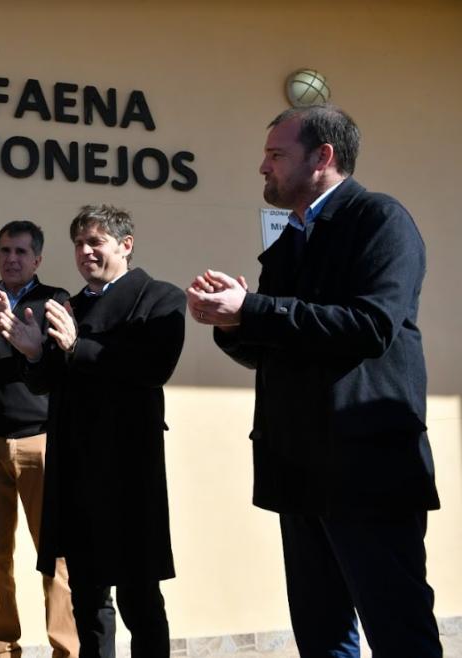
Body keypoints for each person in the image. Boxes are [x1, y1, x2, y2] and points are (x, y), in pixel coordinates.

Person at [186, 104, 441, 657]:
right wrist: (229, 321)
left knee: (398, 630)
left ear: (322, 157)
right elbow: (277, 348)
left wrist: (253, 309)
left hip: (366, 471)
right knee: (322, 635)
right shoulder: (289, 242)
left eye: (276, 155)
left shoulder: (381, 221)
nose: (263, 167)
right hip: (299, 469)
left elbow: (370, 326)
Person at [0, 205, 185, 658]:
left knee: (140, 596)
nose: (85, 252)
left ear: (126, 245)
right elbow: (48, 384)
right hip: (75, 466)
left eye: (96, 242)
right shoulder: (69, 307)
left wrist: (77, 346)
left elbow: (151, 367)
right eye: (79, 244)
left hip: (128, 468)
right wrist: (35, 355)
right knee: (86, 596)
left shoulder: (159, 297)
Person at [0, 220, 78, 658]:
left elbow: (68, 367)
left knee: (56, 555)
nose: (12, 259)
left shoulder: (56, 300)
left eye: (21, 252)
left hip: (42, 441)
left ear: (37, 259)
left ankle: (68, 649)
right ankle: (1, 648)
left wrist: (31, 345)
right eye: (5, 250)